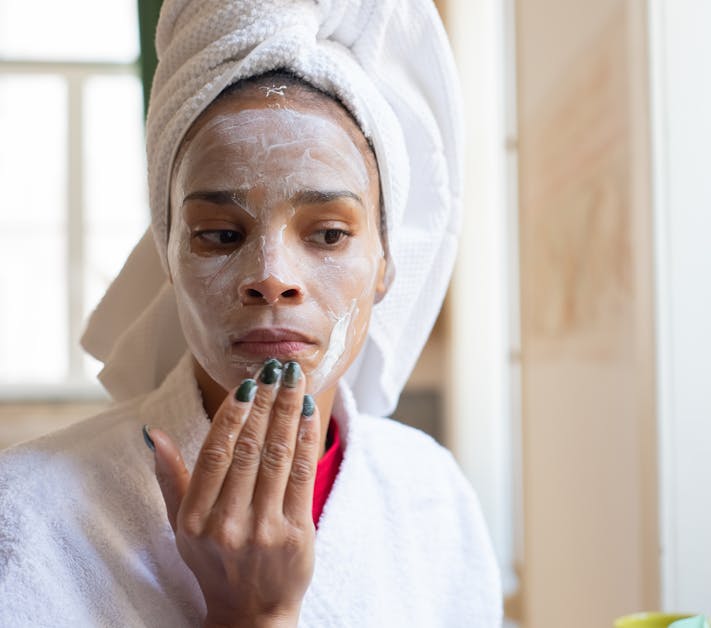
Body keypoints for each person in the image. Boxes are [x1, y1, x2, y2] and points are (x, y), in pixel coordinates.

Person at [0, 1, 502, 626]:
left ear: (385, 267)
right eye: (219, 234)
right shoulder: (25, 512)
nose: (271, 277)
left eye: (327, 234)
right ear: (169, 257)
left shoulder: (431, 493)